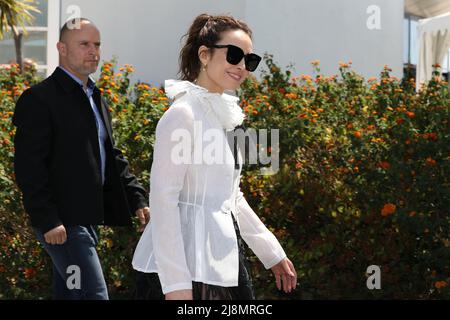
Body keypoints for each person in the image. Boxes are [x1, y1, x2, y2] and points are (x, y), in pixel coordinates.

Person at [132, 13, 297, 300]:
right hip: (184, 270)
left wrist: (271, 252)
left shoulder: (226, 117)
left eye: (249, 60)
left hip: (222, 260)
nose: (242, 67)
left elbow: (230, 196)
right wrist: (176, 285)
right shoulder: (183, 114)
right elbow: (163, 201)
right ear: (204, 55)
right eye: (234, 55)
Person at [13, 18, 150, 300]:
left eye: (97, 44)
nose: (93, 51)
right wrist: (47, 219)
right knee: (93, 294)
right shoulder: (38, 99)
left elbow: (109, 154)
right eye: (84, 44)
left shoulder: (95, 97)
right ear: (61, 48)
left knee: (71, 294)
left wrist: (137, 197)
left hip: (86, 218)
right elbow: (29, 167)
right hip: (62, 223)